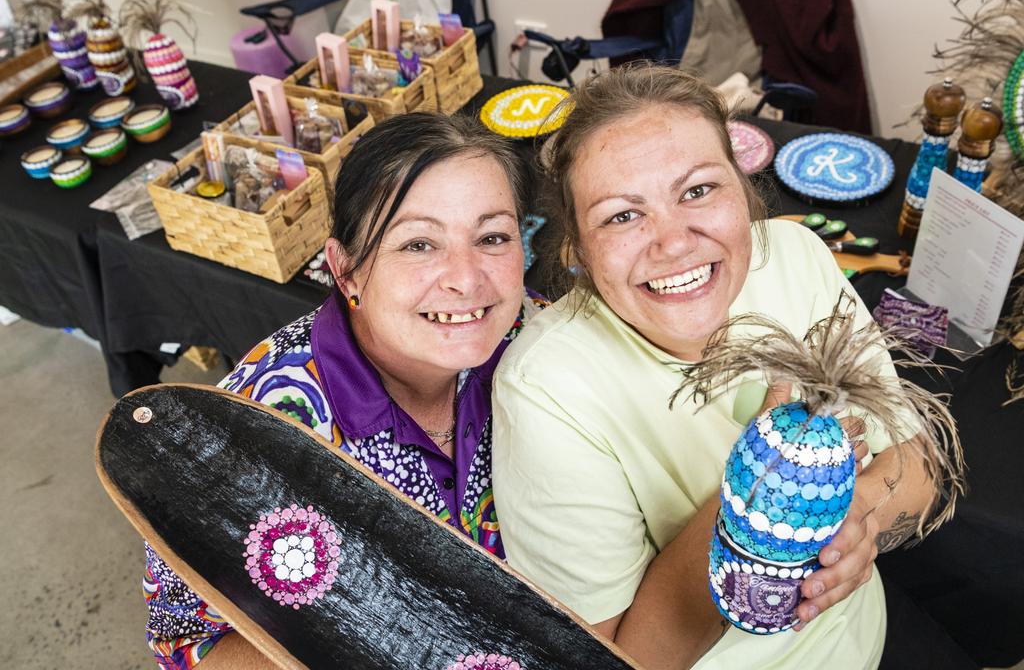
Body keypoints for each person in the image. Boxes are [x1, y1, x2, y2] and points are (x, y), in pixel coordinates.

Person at [491, 64, 960, 670]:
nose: (674, 242)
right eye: (621, 216)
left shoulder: (794, 258)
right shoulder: (546, 391)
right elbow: (620, 658)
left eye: (697, 190)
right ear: (578, 248)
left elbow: (917, 462)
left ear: (744, 191)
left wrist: (862, 513)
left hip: (862, 640)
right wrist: (755, 491)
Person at [143, 112, 544, 668]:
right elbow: (189, 639)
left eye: (492, 237)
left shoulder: (540, 344)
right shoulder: (253, 432)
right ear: (347, 270)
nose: (467, 277)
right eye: (418, 245)